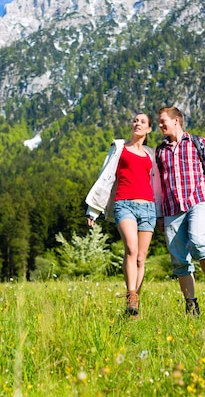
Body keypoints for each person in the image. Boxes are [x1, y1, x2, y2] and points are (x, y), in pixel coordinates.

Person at [154, 106, 205, 316]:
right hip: (172, 209)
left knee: (198, 241)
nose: (160, 125)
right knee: (179, 259)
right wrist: (159, 215)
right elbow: (159, 187)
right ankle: (191, 306)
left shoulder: (198, 143)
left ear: (176, 121)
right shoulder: (160, 151)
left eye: (163, 121)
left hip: (197, 202)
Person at [85, 112, 162, 317]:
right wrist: (93, 209)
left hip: (148, 208)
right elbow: (105, 178)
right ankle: (131, 295)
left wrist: (161, 214)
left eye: (142, 122)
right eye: (135, 120)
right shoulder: (119, 148)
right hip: (124, 204)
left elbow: (158, 186)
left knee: (141, 258)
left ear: (149, 129)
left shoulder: (151, 154)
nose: (137, 123)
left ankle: (134, 305)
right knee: (131, 248)